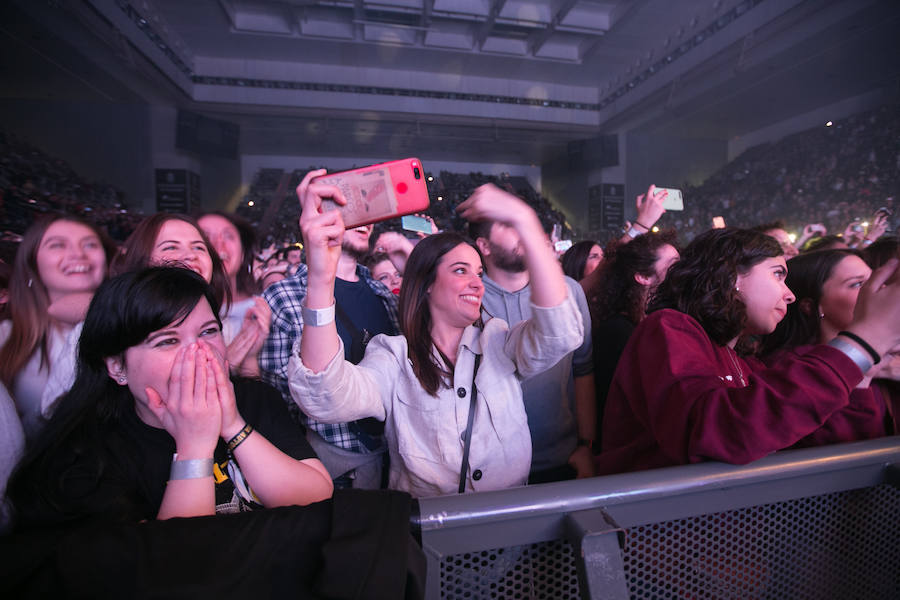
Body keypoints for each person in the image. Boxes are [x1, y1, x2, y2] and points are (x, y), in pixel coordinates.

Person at [287, 179, 583, 497]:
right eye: (460, 271)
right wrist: (320, 275)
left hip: (509, 533)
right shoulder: (394, 357)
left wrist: (525, 222)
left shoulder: (499, 341)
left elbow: (559, 334)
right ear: (427, 283)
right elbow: (326, 395)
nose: (476, 283)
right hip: (430, 539)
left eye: (479, 273)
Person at [6, 267, 332, 529]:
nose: (199, 352)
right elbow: (173, 567)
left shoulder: (254, 398)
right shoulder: (84, 454)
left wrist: (232, 425)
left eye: (208, 332)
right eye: (167, 341)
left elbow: (316, 494)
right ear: (117, 366)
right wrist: (194, 448)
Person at [596, 228, 900, 475]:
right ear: (728, 275)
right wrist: (860, 343)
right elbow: (713, 434)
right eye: (778, 274)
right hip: (659, 537)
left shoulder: (746, 365)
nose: (790, 294)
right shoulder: (667, 328)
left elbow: (820, 442)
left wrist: (863, 374)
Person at [261, 169, 400, 490]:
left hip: (394, 462)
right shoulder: (283, 297)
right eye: (351, 207)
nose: (365, 219)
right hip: (333, 472)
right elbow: (280, 404)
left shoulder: (383, 295)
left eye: (370, 209)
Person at [468, 206, 595, 484]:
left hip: (560, 456)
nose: (526, 234)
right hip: (490, 465)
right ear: (484, 245)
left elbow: (583, 370)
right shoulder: (469, 295)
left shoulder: (568, 291)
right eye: (511, 226)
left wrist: (586, 445)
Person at [759, 249, 894, 445]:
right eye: (857, 284)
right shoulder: (788, 368)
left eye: (874, 280)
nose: (875, 291)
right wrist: (862, 377)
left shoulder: (890, 355)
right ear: (812, 306)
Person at [0, 215, 116, 441]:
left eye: (90, 244)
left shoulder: (137, 324)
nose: (78, 254)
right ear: (32, 264)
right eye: (58, 245)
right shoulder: (6, 337)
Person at [113, 213, 269, 378]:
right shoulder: (116, 325)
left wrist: (248, 358)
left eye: (199, 247)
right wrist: (224, 366)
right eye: (171, 247)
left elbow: (251, 398)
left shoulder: (226, 330)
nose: (190, 255)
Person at [581, 230, 679, 449]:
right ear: (643, 277)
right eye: (673, 265)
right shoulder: (618, 332)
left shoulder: (654, 322)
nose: (682, 271)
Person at [197, 212, 272, 355]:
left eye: (228, 236)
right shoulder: (173, 315)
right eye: (205, 237)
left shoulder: (262, 312)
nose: (218, 245)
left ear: (243, 253)